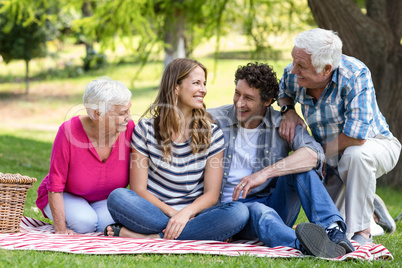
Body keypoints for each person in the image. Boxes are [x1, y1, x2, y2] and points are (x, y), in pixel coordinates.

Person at [208, 62, 353, 258]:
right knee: (259, 211)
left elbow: (314, 153)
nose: (239, 103)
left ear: (267, 101)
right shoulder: (215, 119)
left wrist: (263, 174)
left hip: (273, 205)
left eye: (248, 98)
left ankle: (333, 231)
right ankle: (306, 245)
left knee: (302, 169)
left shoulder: (282, 124)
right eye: (237, 94)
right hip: (228, 212)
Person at [278, 28, 401, 245]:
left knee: (355, 156)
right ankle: (375, 215)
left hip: (375, 145)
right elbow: (283, 92)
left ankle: (363, 233)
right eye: (294, 62)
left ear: (326, 68)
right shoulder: (294, 72)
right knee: (332, 227)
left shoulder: (355, 75)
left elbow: (356, 137)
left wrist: (316, 154)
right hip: (331, 159)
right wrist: (288, 111)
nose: (293, 70)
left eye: (302, 66)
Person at [105, 58, 249, 241]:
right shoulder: (145, 129)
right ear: (175, 87)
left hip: (194, 213)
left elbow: (212, 195)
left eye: (204, 83)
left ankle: (151, 237)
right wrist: (175, 215)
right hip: (153, 212)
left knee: (239, 212)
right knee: (118, 197)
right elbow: (138, 190)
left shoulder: (213, 133)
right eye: (196, 83)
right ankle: (194, 232)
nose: (203, 89)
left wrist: (186, 214)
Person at [36, 77, 134, 234]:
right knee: (85, 223)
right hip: (67, 195)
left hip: (104, 199)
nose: (129, 117)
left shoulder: (128, 128)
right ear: (98, 114)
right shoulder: (68, 131)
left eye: (129, 110)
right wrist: (61, 229)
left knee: (106, 225)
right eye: (123, 113)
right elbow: (55, 184)